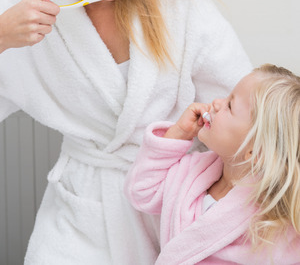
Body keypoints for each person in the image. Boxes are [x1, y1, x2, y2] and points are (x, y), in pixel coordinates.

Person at [0, 0, 252, 264]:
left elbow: (251, 115)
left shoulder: (179, 0)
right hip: (76, 219)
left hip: (171, 212)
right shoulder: (22, 14)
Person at [125, 64, 300, 264]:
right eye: (227, 97)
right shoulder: (193, 171)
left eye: (230, 106)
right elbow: (142, 192)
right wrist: (178, 133)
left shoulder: (272, 224)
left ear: (256, 152)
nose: (217, 103)